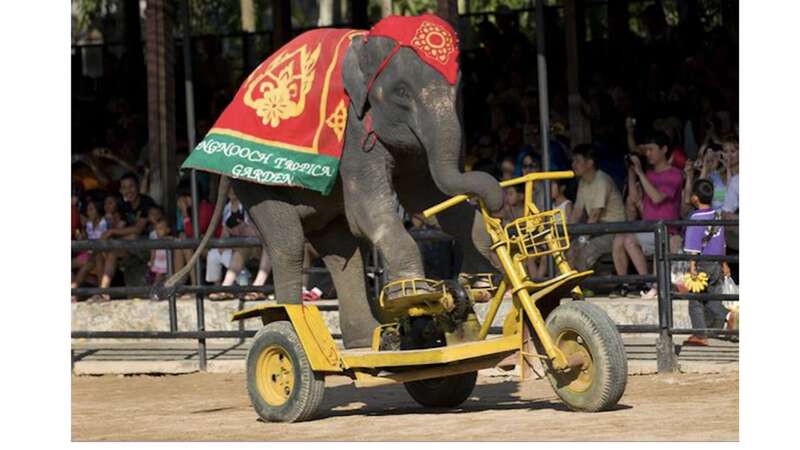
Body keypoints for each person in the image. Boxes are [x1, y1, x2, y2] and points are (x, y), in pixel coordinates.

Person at [612, 131, 683, 298]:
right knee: (619, 239)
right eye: (646, 150)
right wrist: (632, 173)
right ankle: (626, 284)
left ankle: (649, 284)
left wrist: (640, 173)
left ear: (664, 149)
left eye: (651, 149)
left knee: (629, 240)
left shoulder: (674, 174)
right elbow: (635, 198)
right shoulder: (649, 174)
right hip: (647, 229)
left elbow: (657, 198)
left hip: (666, 231)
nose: (648, 154)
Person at [683, 179, 729, 346]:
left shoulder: (696, 217)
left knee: (694, 300)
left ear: (695, 198)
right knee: (714, 298)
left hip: (703, 264)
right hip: (717, 263)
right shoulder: (717, 214)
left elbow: (692, 245)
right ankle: (727, 319)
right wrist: (724, 263)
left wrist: (692, 266)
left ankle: (700, 335)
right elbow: (722, 242)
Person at [568, 144, 626, 273]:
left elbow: (595, 214)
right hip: (597, 228)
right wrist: (566, 234)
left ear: (589, 163)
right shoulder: (582, 182)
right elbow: (577, 212)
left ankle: (583, 287)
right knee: (571, 248)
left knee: (586, 249)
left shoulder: (602, 180)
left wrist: (583, 239)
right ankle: (570, 286)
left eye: (577, 161)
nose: (573, 164)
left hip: (614, 230)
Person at [173, 181, 221, 288]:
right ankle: (178, 284)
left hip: (214, 246)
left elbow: (194, 233)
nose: (183, 200)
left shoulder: (205, 207)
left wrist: (185, 213)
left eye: (186, 196)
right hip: (199, 245)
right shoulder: (188, 209)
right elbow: (181, 230)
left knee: (186, 245)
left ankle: (196, 286)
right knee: (180, 246)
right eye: (181, 197)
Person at [148, 219, 171, 285]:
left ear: (167, 230)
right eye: (156, 229)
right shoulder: (154, 241)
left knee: (168, 280)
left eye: (160, 229)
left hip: (167, 264)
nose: (158, 231)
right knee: (157, 280)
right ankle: (154, 293)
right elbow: (152, 253)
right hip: (158, 264)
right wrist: (151, 264)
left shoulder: (169, 240)